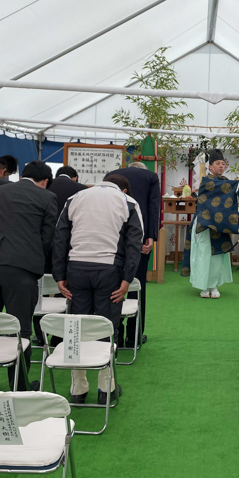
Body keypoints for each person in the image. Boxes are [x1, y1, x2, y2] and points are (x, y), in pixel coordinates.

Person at [52, 173, 143, 404]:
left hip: (76, 268)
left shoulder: (75, 198)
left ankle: (78, 389)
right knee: (107, 326)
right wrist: (127, 279)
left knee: (77, 327)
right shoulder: (128, 202)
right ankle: (106, 389)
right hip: (109, 270)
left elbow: (60, 238)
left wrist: (59, 275)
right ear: (123, 189)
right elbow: (134, 243)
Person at [0, 160, 58, 391]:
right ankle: (19, 386)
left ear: (22, 176)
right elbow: (47, 237)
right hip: (21, 268)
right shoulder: (47, 197)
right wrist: (32, 255)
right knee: (20, 329)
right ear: (45, 181)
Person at [183, 149, 239, 299]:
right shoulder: (206, 181)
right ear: (210, 167)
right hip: (204, 223)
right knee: (203, 255)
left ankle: (214, 286)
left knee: (217, 258)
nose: (221, 166)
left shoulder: (225, 181)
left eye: (223, 163)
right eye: (217, 163)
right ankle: (203, 287)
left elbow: (231, 192)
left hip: (219, 224)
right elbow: (224, 188)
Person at [106, 161, 161, 347]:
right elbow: (153, 207)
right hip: (139, 238)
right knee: (137, 284)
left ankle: (114, 334)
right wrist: (150, 236)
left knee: (112, 284)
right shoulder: (151, 177)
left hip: (113, 238)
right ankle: (133, 336)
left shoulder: (112, 174)